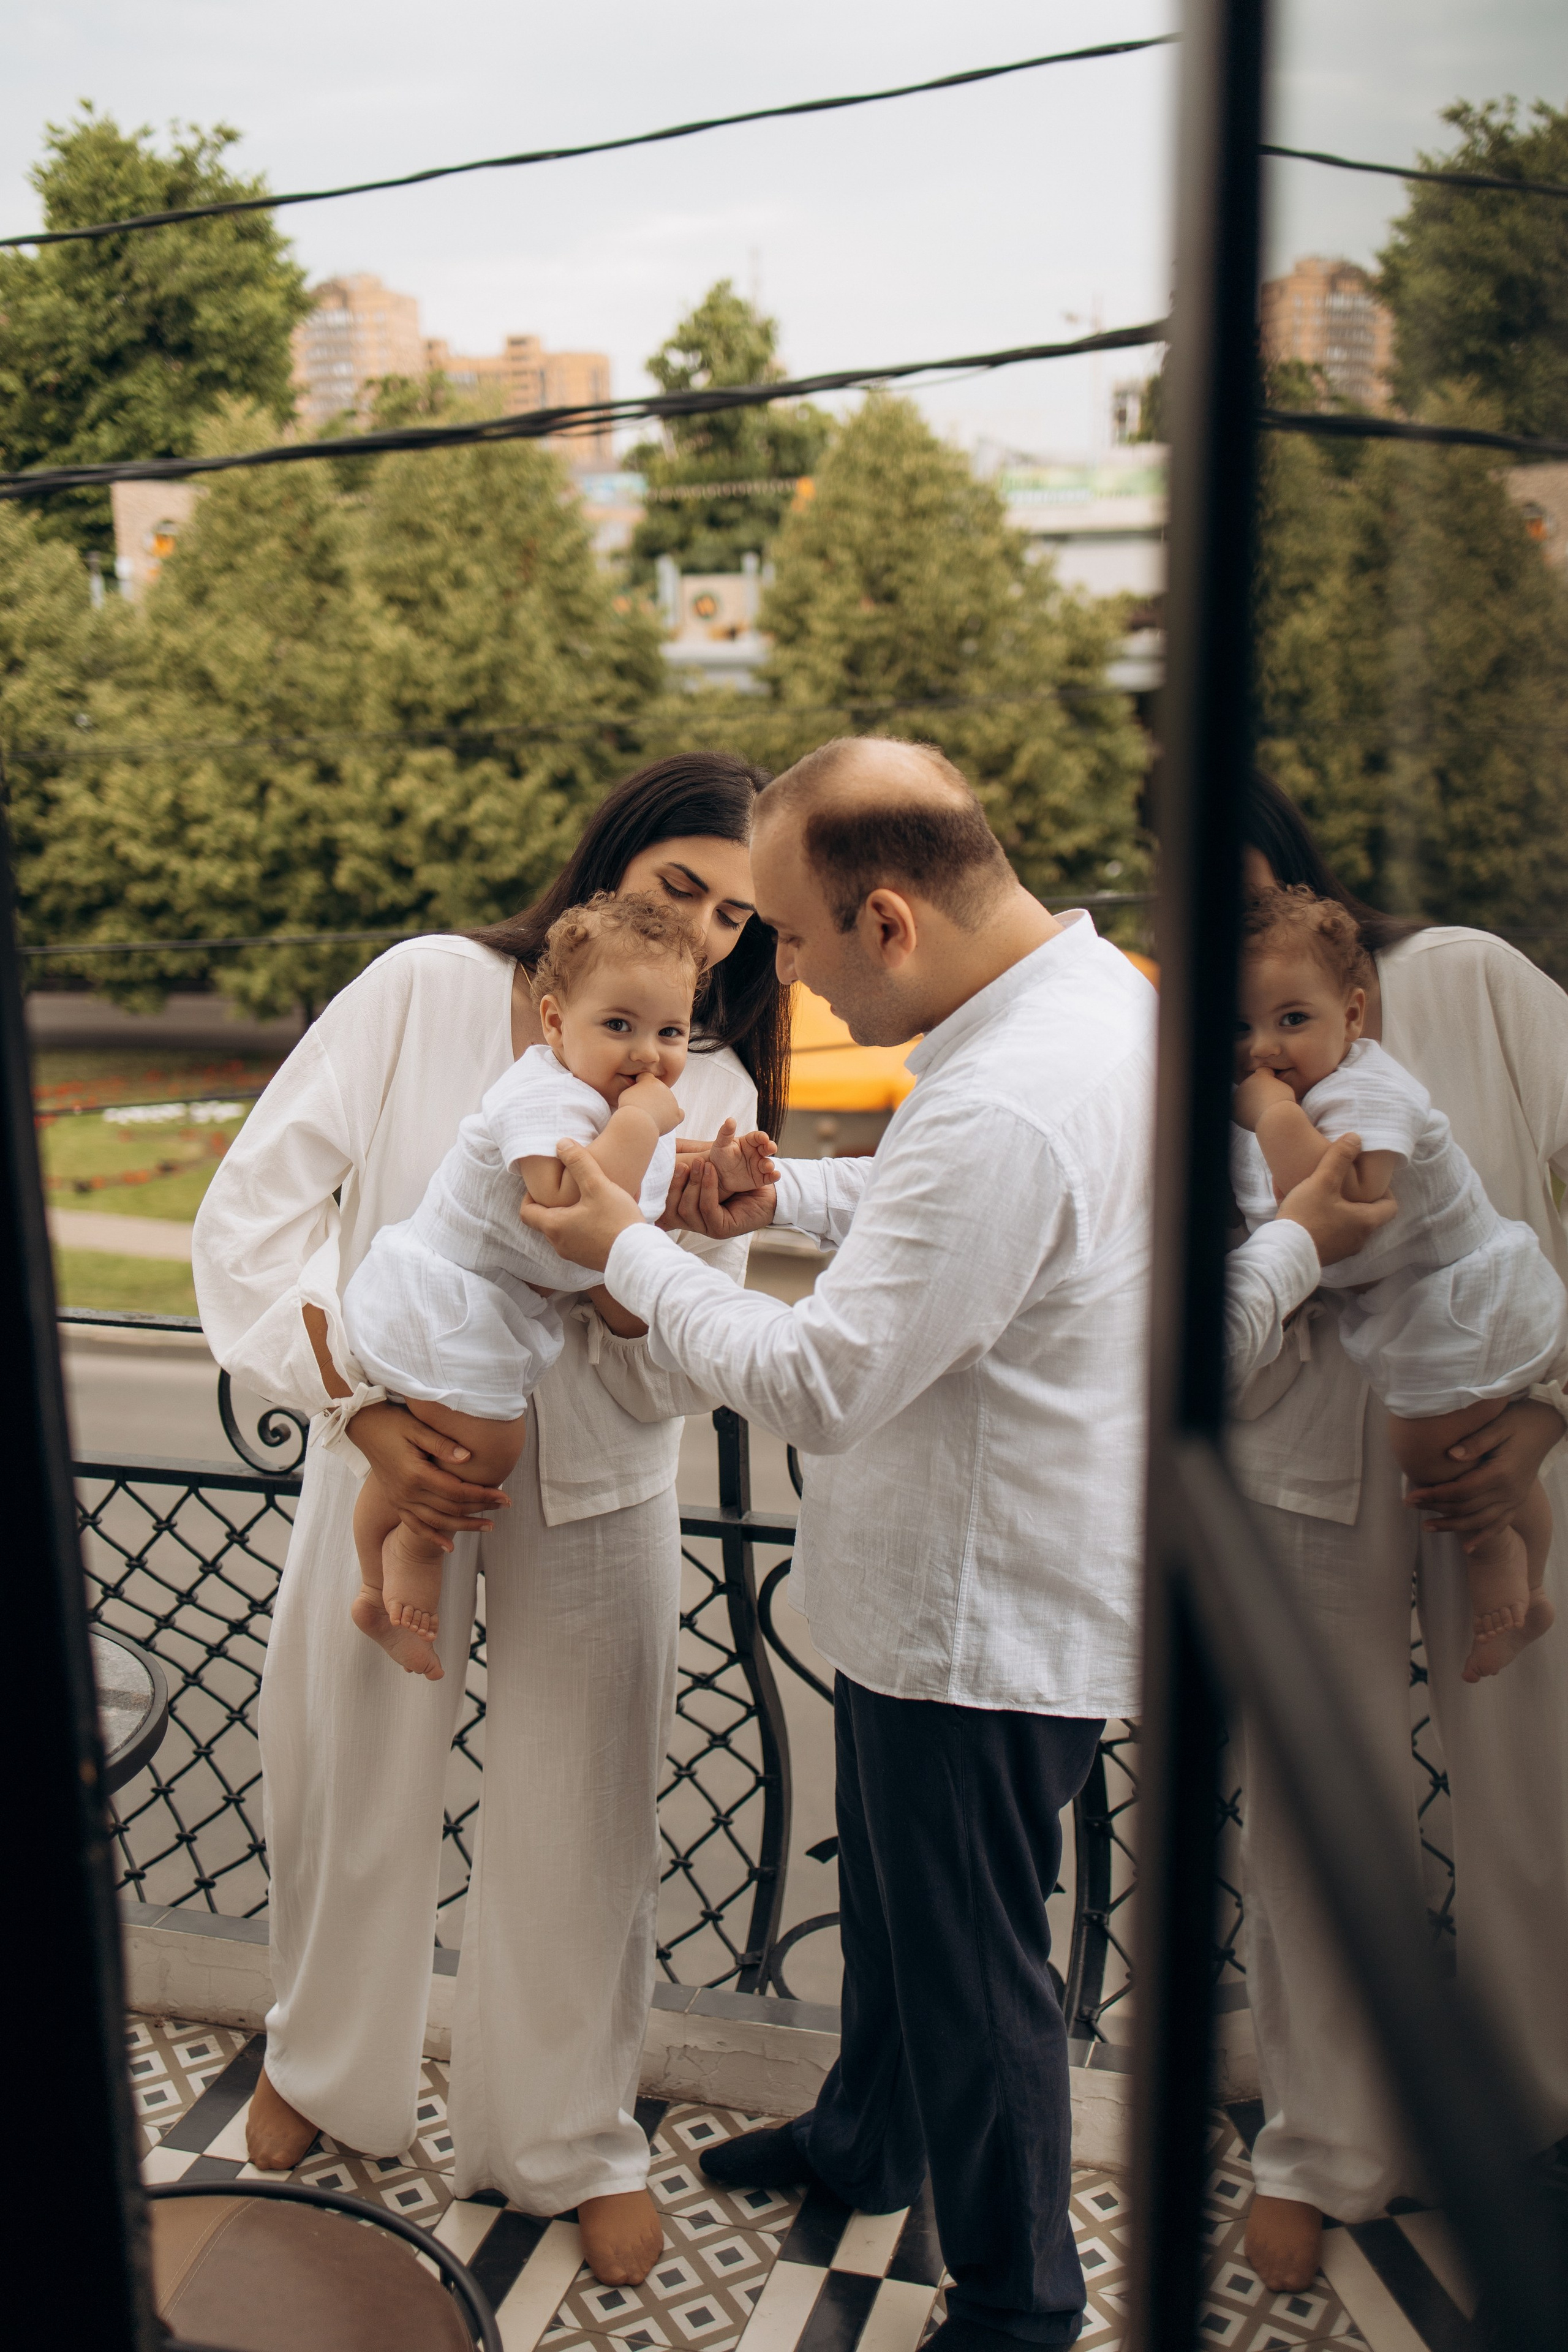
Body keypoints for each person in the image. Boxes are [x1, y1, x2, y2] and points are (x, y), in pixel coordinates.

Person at [517, 735, 1155, 2351]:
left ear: (884, 921)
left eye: (788, 937)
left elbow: (827, 1380)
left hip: (974, 1617)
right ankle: (870, 2137)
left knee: (973, 1969)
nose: (773, 973)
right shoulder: (1083, 1013)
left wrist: (630, 1251)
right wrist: (781, 1198)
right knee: (895, 1908)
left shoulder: (1011, 1092)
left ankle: (1016, 2305)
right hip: (944, 1590)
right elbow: (966, 1233)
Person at [191, 753, 787, 2286]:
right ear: (612, 859)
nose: (709, 936)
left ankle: (567, 2131)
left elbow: (688, 1335)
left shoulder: (707, 1082)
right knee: (346, 1765)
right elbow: (253, 1212)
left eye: (737, 913)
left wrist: (664, 1267)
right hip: (384, 1435)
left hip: (599, 1485)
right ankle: (319, 2064)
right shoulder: (427, 987)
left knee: (582, 1816)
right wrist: (364, 1411)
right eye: (682, 890)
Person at [1231, 774, 1568, 2291]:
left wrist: (1547, 1409)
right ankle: (1317, 2141)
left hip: (1491, 1431)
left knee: (1530, 1802)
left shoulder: (1468, 978)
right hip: (1299, 1461)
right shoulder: (1210, 1054)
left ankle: (1530, 2131)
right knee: (1313, 1813)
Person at [343, 894, 701, 1670]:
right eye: (619, 1026)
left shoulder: (613, 1103)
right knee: (488, 1447)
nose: (647, 1053)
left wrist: (705, 1168)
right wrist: (642, 1121)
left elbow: (637, 1211)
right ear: (553, 1024)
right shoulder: (546, 1095)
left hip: (485, 1308)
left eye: (669, 1032)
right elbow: (568, 1205)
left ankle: (376, 1586)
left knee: (434, 1458)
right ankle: (413, 1547)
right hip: (444, 1299)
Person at [1233, 885, 1564, 1676]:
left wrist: (1273, 1117)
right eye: (1239, 1027)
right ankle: (1522, 1569)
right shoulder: (1262, 1098)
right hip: (1405, 1330)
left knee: (1431, 1454)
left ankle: (1508, 1570)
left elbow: (1346, 1199)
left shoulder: (1365, 1087)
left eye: (1291, 1020)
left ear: (1351, 1013)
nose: (1263, 1050)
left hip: (1467, 1299)